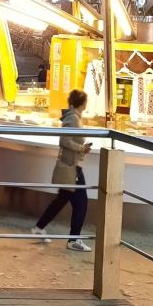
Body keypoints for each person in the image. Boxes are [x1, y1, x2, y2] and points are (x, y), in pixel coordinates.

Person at [32, 88, 92, 252]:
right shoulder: (73, 118)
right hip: (72, 167)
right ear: (83, 103)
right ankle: (73, 239)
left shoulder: (73, 117)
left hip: (72, 165)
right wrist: (81, 148)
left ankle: (39, 228)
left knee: (61, 200)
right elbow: (64, 139)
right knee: (81, 204)